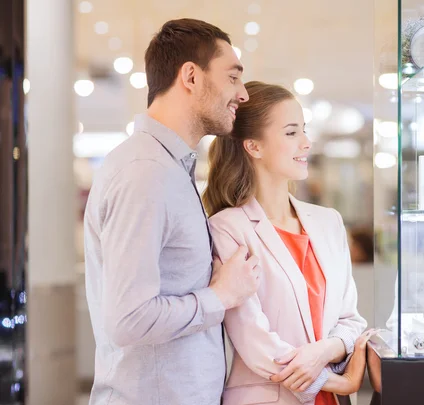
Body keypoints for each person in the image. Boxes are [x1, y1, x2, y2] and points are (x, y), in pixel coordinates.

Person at [84, 19, 260, 405]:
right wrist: (221, 295)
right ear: (191, 77)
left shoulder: (167, 168)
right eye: (232, 77)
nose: (242, 93)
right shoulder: (145, 173)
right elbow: (129, 319)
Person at [203, 81, 370, 405]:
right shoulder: (228, 228)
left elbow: (351, 320)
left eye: (304, 131)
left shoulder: (329, 222)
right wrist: (339, 382)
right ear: (254, 146)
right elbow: (255, 342)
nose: (307, 143)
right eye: (292, 133)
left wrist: (324, 351)